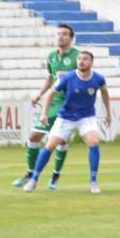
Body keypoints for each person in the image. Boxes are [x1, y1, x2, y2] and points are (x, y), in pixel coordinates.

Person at [23, 51, 111, 194]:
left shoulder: (99, 79)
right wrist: (44, 114)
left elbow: (105, 93)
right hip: (66, 118)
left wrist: (109, 113)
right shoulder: (68, 77)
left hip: (86, 118)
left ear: (91, 63)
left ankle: (93, 182)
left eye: (85, 59)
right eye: (79, 59)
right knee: (50, 145)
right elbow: (51, 93)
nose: (81, 61)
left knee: (94, 141)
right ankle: (33, 180)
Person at [13, 24, 78, 190]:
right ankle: (30, 173)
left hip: (70, 103)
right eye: (59, 34)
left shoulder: (78, 57)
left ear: (71, 38)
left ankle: (54, 176)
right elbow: (50, 78)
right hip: (53, 102)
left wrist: (69, 76)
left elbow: (84, 77)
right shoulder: (51, 57)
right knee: (34, 137)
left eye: (64, 34)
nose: (60, 37)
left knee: (60, 140)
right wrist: (39, 94)